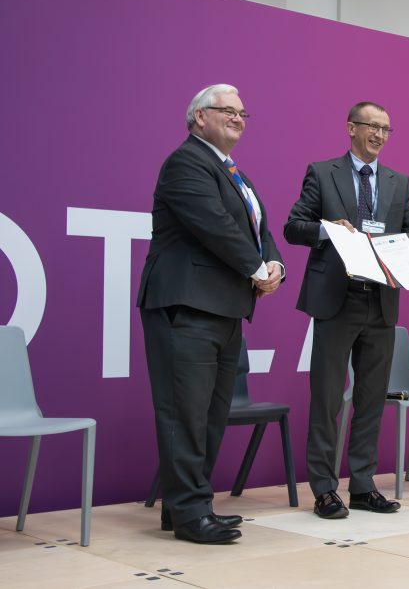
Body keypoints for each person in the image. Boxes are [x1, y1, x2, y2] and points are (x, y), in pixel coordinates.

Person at [284, 101, 409, 519]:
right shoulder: (323, 173)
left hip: (380, 299)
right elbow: (293, 226)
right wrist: (328, 228)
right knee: (327, 400)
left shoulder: (399, 181)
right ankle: (324, 488)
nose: (378, 135)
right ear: (350, 128)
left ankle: (361, 485)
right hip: (335, 299)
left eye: (386, 129)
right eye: (371, 126)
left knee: (371, 399)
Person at [138, 84, 284, 544]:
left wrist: (274, 262)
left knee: (210, 414)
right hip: (187, 304)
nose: (239, 118)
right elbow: (215, 226)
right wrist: (257, 268)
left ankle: (187, 507)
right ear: (199, 117)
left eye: (243, 113)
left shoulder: (233, 171)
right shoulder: (185, 163)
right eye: (228, 111)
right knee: (186, 413)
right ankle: (189, 512)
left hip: (224, 308)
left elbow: (257, 224)